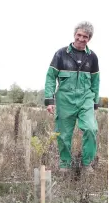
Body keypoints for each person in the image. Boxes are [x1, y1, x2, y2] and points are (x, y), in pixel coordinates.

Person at [44, 21, 100, 174]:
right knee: (63, 134)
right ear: (74, 35)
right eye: (79, 35)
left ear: (89, 39)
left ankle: (87, 164)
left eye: (85, 37)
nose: (81, 39)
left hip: (85, 99)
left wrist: (95, 104)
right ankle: (65, 164)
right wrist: (49, 99)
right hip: (64, 99)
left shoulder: (92, 57)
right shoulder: (61, 54)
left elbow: (96, 82)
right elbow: (50, 77)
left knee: (90, 128)